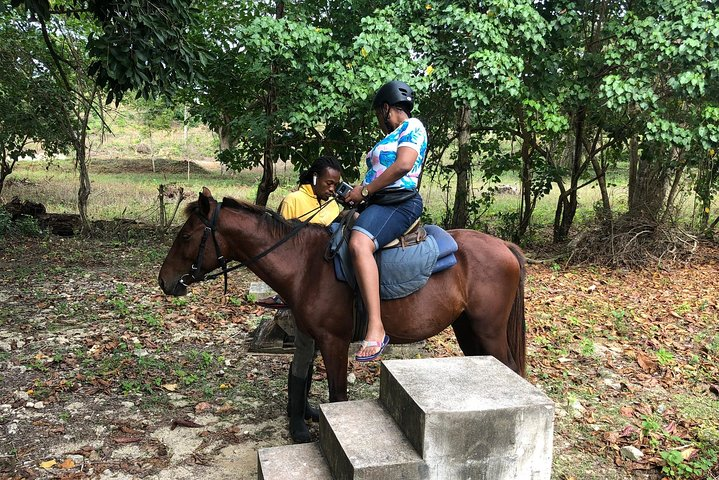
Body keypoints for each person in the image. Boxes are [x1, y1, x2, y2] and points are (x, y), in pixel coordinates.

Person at [342, 80, 427, 362]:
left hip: (399, 201)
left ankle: (376, 327)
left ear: (387, 108)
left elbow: (403, 165)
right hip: (377, 200)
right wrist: (357, 192)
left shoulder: (413, 126)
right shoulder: (388, 138)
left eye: (379, 114)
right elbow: (377, 174)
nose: (380, 120)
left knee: (358, 243)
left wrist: (365, 191)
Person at [266, 156, 342, 443]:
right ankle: (295, 414)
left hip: (327, 294)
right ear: (314, 178)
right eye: (328, 183)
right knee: (303, 349)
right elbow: (281, 249)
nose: (332, 189)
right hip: (301, 292)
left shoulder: (333, 204)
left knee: (314, 351)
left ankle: (303, 404)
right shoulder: (293, 201)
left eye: (335, 184)